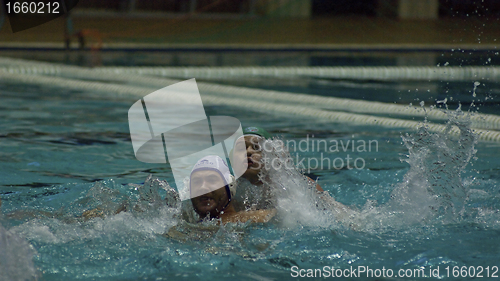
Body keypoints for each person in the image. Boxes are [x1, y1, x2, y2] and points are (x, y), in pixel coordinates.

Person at [186, 155, 276, 224]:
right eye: (196, 182)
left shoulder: (255, 219)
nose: (203, 187)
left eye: (211, 180)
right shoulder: (184, 224)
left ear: (230, 186)